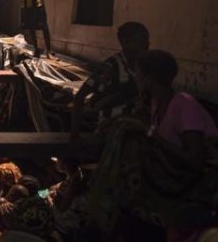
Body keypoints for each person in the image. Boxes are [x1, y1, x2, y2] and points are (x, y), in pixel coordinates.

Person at [89, 50, 218, 240]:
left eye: (138, 73)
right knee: (127, 136)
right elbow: (137, 122)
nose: (136, 77)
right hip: (176, 175)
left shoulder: (184, 104)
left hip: (199, 184)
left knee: (133, 148)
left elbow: (195, 161)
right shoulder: (156, 103)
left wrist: (149, 133)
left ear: (149, 78)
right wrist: (116, 123)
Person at [71, 21, 150, 137]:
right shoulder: (110, 68)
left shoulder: (145, 67)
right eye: (141, 42)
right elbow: (80, 97)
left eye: (146, 42)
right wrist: (74, 135)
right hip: (112, 130)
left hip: (136, 128)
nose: (146, 46)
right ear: (125, 42)